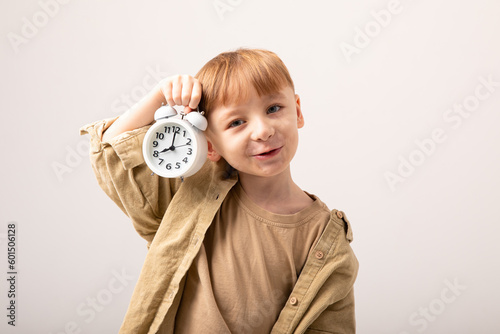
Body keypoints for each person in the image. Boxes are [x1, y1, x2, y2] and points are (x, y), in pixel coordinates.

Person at [80, 48, 359, 334]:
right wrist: (159, 96)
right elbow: (111, 152)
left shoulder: (326, 239)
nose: (262, 131)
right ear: (210, 145)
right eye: (237, 122)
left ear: (297, 111)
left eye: (273, 108)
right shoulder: (189, 195)